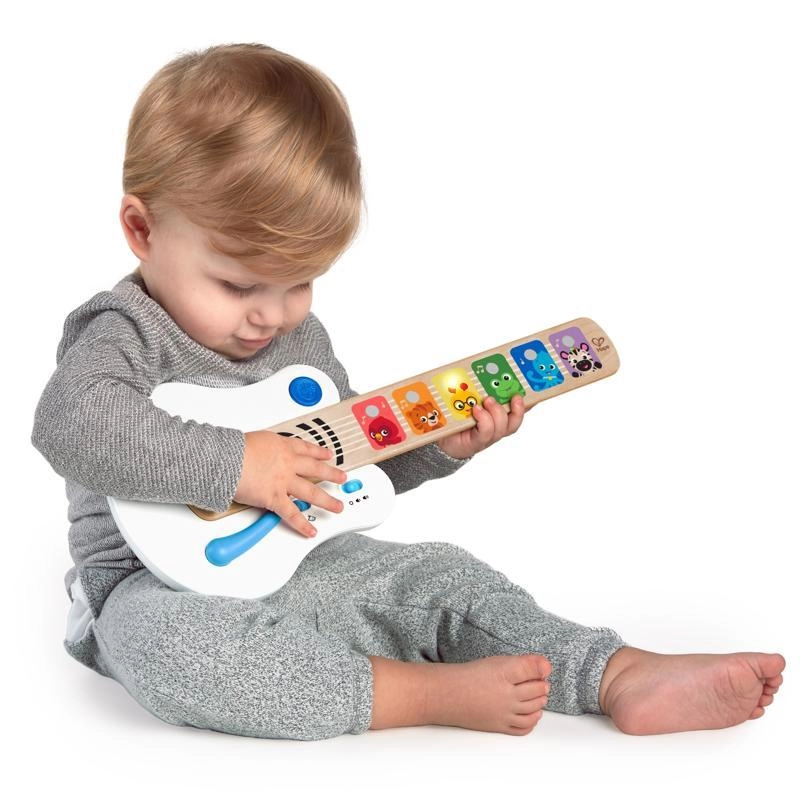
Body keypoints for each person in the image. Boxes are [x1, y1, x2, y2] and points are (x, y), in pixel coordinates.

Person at [31, 43, 784, 741]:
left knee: (440, 576)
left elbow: (345, 472)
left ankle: (613, 673)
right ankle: (419, 695)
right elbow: (70, 425)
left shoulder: (296, 343)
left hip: (305, 565)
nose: (272, 314)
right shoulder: (124, 333)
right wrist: (242, 465)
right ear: (142, 230)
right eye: (237, 284)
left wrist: (432, 450)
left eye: (300, 282)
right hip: (148, 591)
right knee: (173, 650)